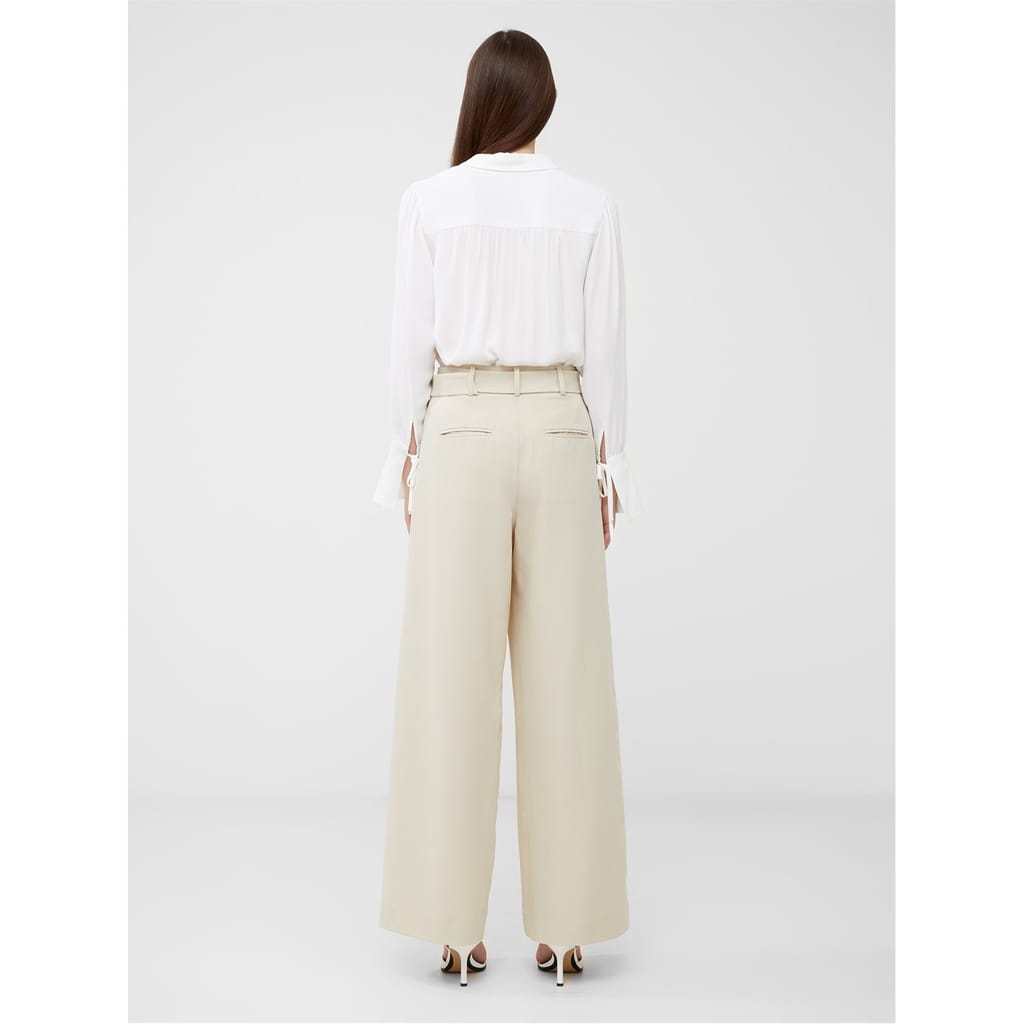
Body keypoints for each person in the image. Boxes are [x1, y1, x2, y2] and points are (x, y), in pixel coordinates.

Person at [373, 27, 644, 988]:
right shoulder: (591, 206)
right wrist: (609, 466)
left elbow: (410, 343)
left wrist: (405, 456)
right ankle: (568, 933)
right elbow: (607, 348)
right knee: (569, 681)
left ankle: (452, 929)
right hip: (564, 430)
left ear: (479, 100)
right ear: (544, 102)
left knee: (450, 677)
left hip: (462, 429)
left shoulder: (429, 201)